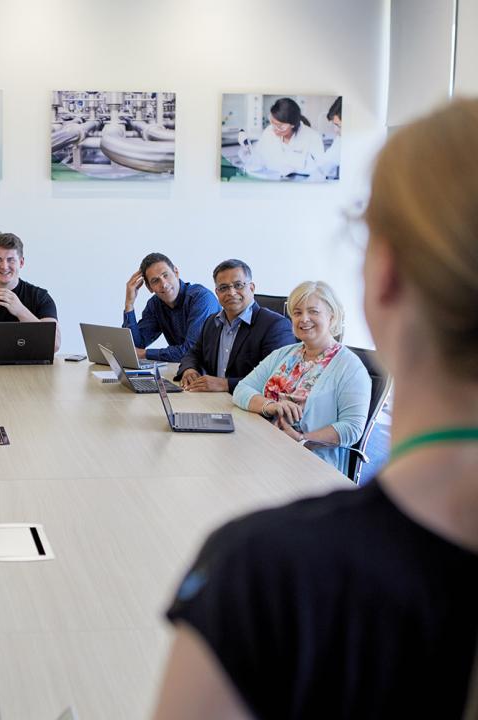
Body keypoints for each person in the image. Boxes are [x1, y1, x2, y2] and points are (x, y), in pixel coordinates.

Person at [153, 98, 478, 720]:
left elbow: (342, 426)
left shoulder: (269, 577)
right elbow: (245, 387)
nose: (302, 320)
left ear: (381, 279)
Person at [231, 280, 370, 474]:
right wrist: (271, 406)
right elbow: (242, 390)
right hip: (263, 450)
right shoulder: (284, 354)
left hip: (310, 464)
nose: (304, 319)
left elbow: (352, 428)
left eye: (313, 311)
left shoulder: (350, 367)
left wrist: (301, 439)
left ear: (332, 316)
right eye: (297, 313)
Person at [176, 259, 296, 393]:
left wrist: (226, 384)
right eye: (224, 288)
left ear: (251, 288)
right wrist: (189, 369)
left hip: (253, 408)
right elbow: (193, 353)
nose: (231, 292)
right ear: (217, 292)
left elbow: (277, 377)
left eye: (238, 285)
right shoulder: (212, 322)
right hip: (215, 402)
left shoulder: (275, 325)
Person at [123, 252, 220, 363]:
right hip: (184, 370)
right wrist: (129, 304)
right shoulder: (155, 304)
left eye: (166, 275)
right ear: (149, 288)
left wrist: (145, 354)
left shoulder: (201, 298)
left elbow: (191, 351)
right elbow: (135, 347)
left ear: (176, 272)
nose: (163, 284)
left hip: (212, 372)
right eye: (155, 281)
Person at [251, 97, 327, 178]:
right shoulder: (268, 132)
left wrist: (296, 170)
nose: (274, 129)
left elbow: (321, 170)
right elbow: (258, 159)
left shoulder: (312, 137)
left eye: (280, 126)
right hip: (271, 182)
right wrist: (248, 154)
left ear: (293, 124)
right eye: (272, 123)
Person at [319, 96, 342, 179]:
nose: (336, 130)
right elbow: (326, 162)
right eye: (334, 125)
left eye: (339, 126)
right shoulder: (339, 139)